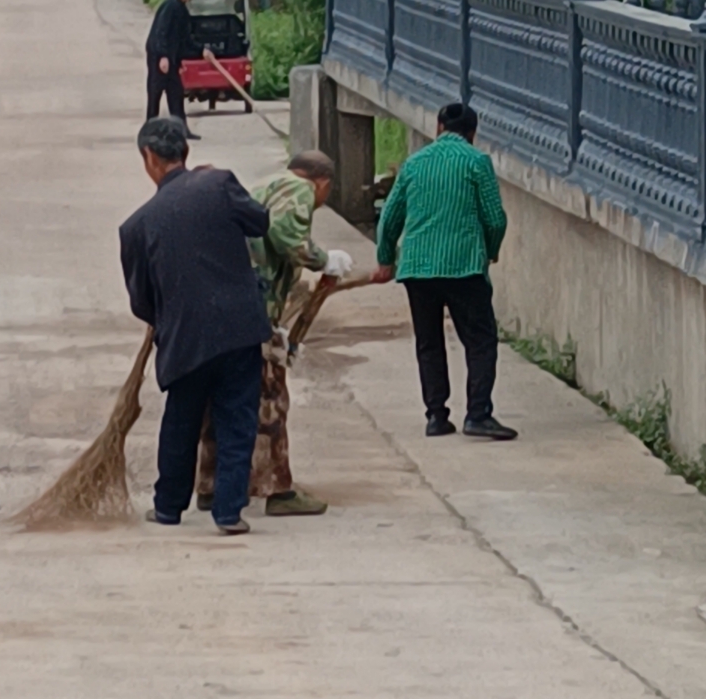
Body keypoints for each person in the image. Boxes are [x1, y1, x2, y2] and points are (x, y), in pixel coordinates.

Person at [119, 116, 271, 534]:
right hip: (239, 327)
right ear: (185, 152)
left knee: (181, 420)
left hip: (185, 338)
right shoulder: (219, 184)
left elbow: (141, 301)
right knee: (237, 419)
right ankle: (228, 512)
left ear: (148, 158)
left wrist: (168, 319)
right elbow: (260, 222)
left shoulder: (135, 227)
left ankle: (168, 507)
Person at [195, 149, 353, 517]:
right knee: (269, 402)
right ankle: (277, 490)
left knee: (220, 402)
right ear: (323, 184)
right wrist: (323, 259)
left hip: (232, 307)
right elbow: (285, 234)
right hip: (256, 314)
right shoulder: (298, 189)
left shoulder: (264, 185)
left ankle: (210, 484)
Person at [372, 100, 515, 441]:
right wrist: (489, 251)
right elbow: (495, 218)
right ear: (473, 133)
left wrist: (385, 257)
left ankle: (436, 417)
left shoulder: (414, 163)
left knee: (429, 342)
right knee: (480, 341)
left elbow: (390, 216)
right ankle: (478, 414)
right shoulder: (476, 161)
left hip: (418, 268)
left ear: (438, 127)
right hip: (463, 266)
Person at [145, 0, 198, 133]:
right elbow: (161, 32)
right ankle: (150, 129)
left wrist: (202, 51)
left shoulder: (182, 9)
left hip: (172, 58)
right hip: (159, 57)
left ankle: (181, 130)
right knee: (156, 92)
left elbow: (184, 39)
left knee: (176, 93)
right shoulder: (170, 7)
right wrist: (163, 56)